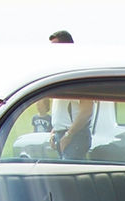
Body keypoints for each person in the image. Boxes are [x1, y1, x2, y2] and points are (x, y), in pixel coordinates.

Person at [46, 31, 92, 159]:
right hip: (63, 134)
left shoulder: (77, 74)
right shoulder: (60, 73)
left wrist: (68, 135)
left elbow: (86, 110)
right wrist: (54, 131)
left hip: (75, 136)